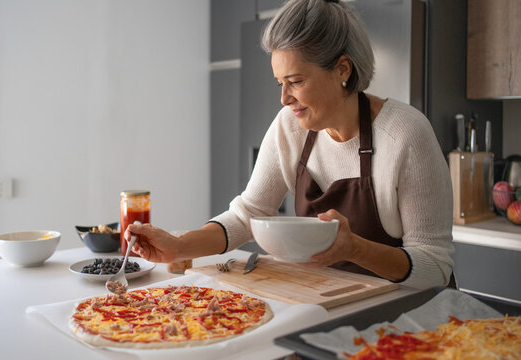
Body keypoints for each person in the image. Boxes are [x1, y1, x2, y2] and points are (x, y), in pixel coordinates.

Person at [127, 0, 454, 289]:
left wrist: (355, 248)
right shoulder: (290, 127)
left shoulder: (405, 134)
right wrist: (179, 246)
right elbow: (248, 215)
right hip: (334, 302)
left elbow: (435, 267)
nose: (284, 99)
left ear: (342, 69)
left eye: (296, 82)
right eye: (280, 83)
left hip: (410, 324)